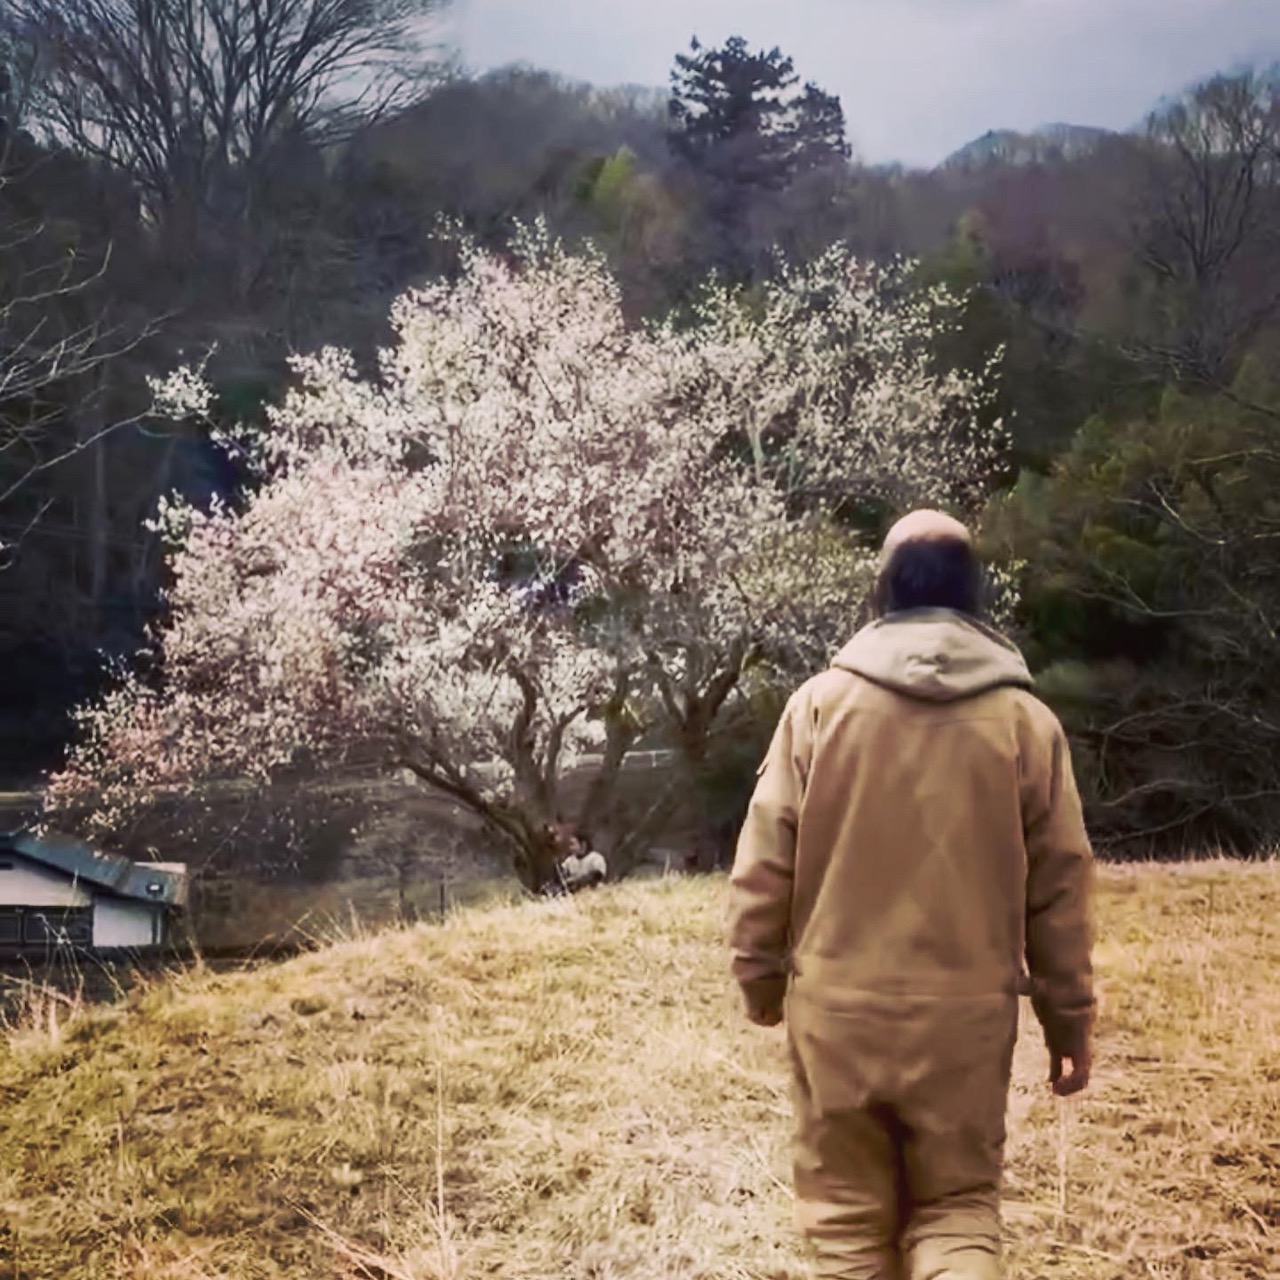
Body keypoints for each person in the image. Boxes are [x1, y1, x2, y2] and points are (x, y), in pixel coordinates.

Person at [726, 509, 1095, 1280]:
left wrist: (759, 980)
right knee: (957, 1212)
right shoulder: (1027, 724)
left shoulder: (818, 708)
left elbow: (764, 860)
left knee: (846, 1226)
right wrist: (1068, 1020)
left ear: (882, 591)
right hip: (966, 1021)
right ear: (975, 595)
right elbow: (1060, 887)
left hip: (837, 1016)